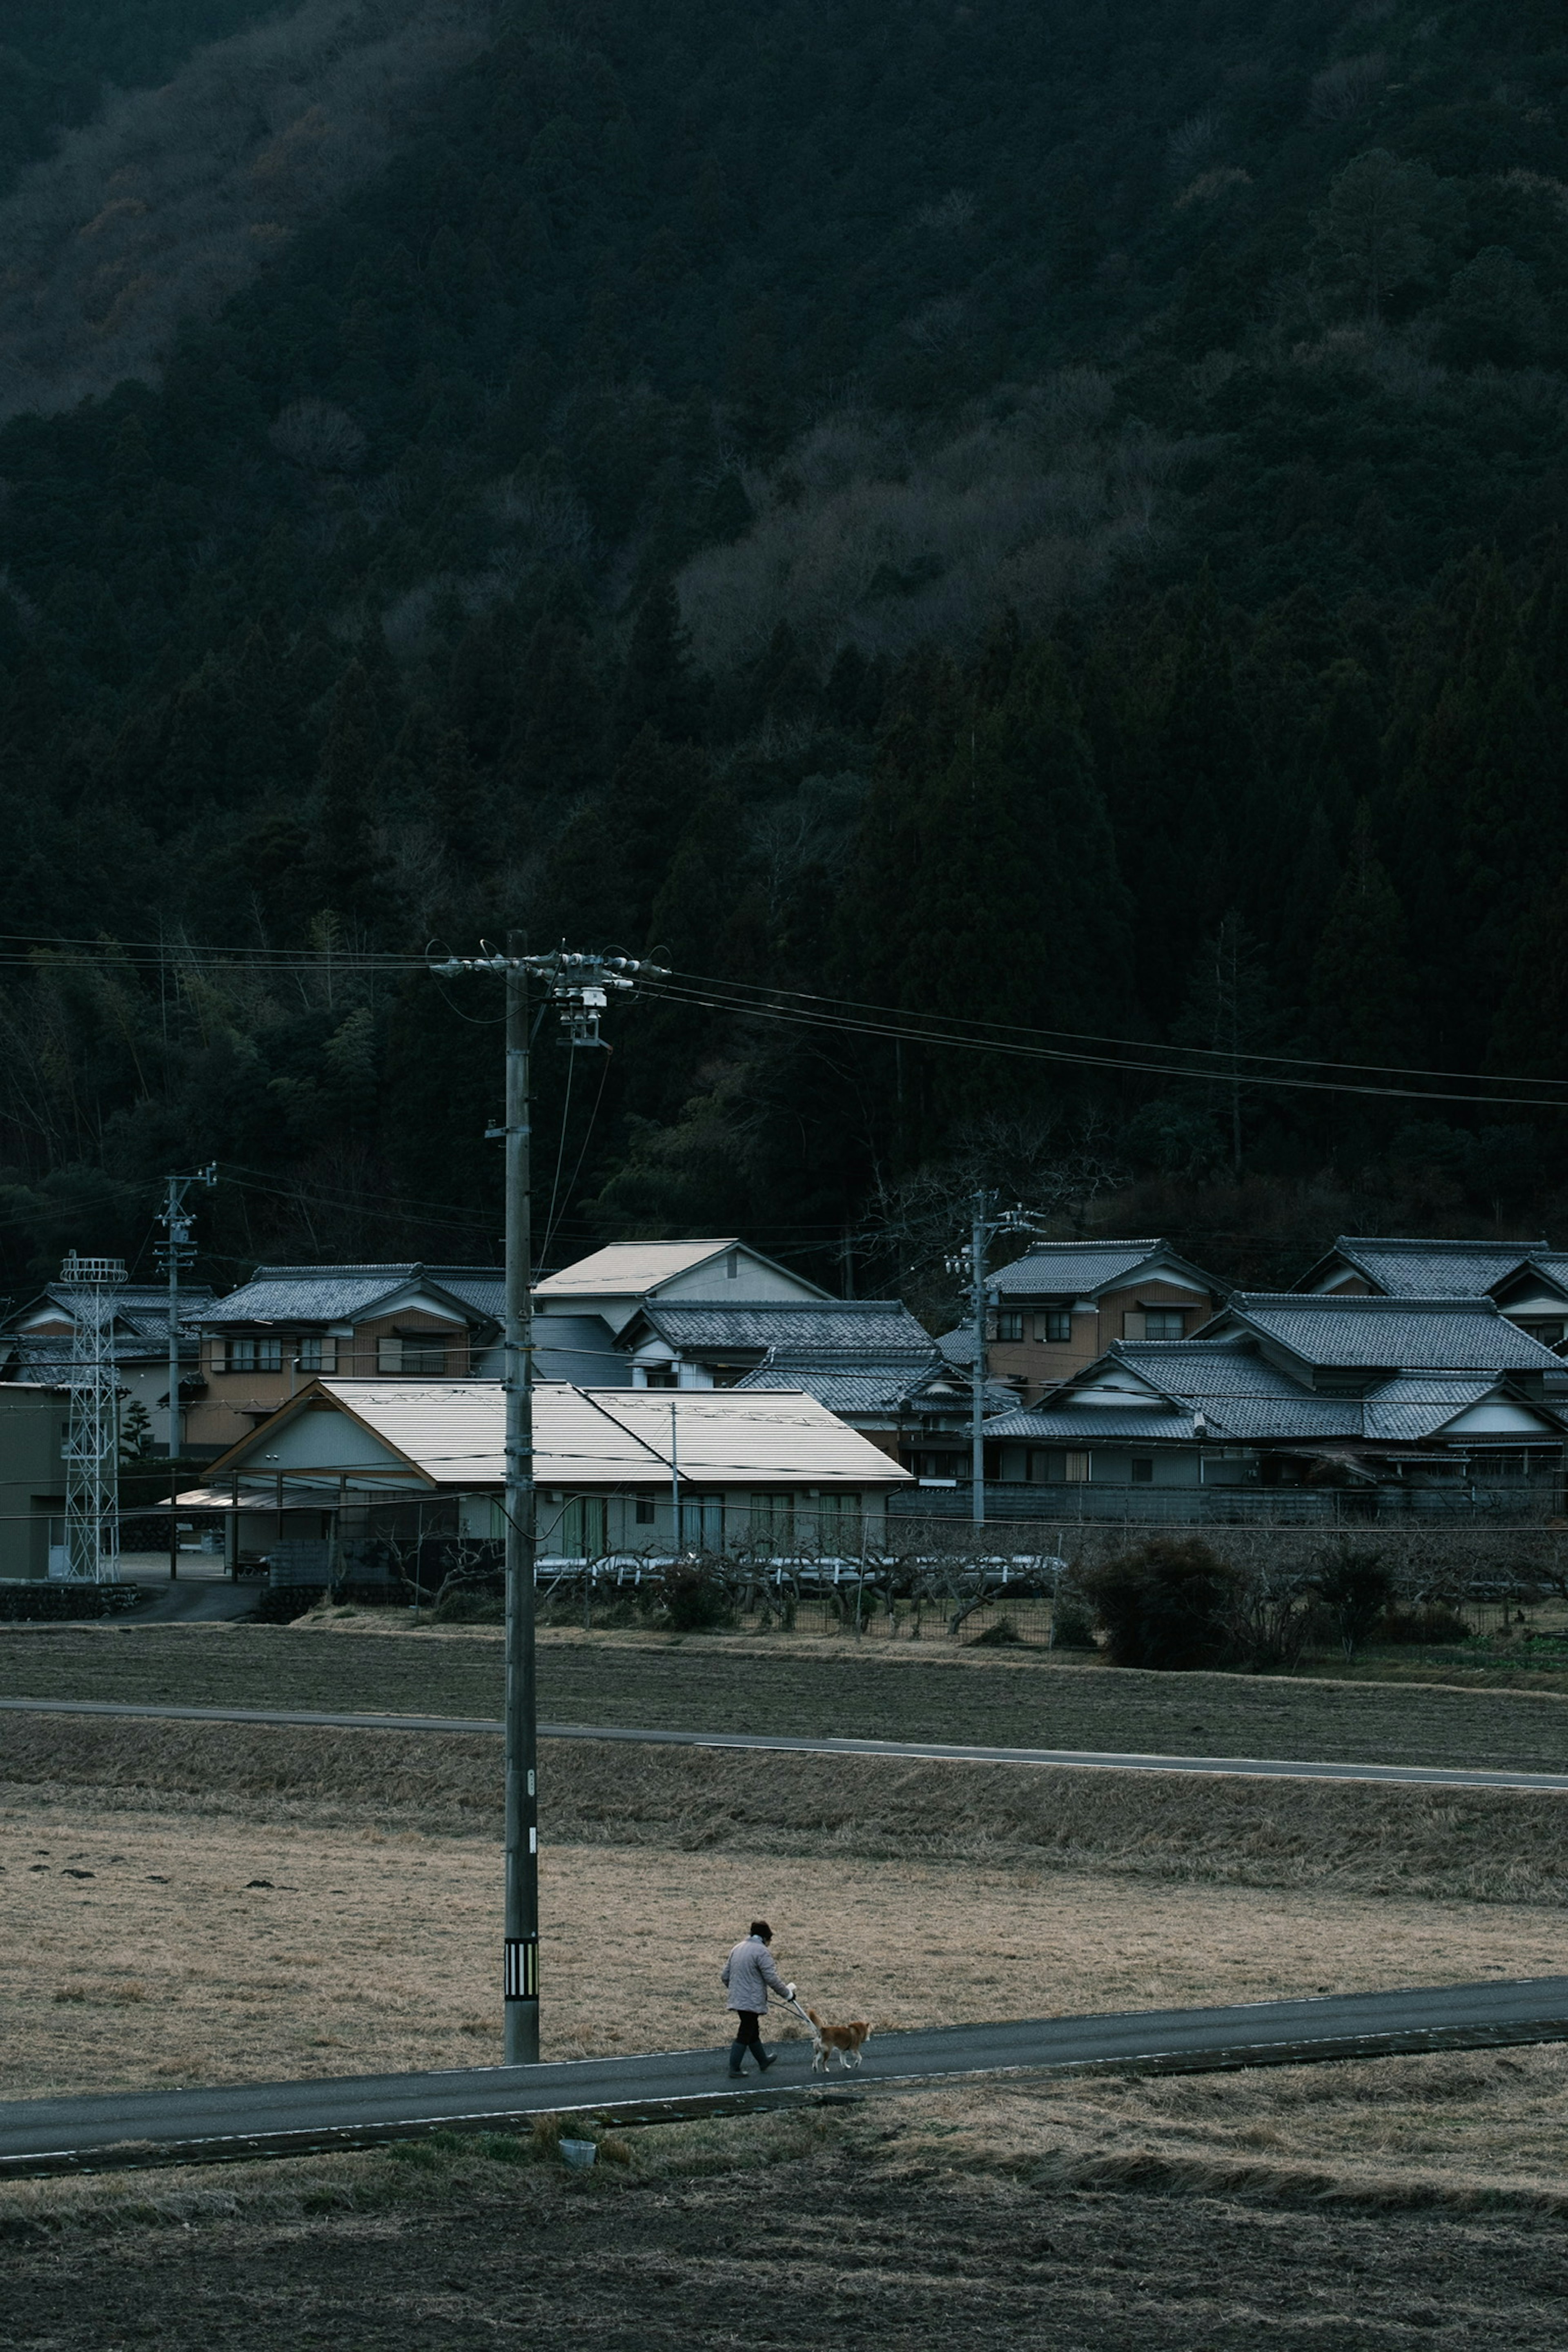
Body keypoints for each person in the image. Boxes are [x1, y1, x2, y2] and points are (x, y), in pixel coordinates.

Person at [721, 1919, 794, 2075]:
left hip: (739, 1997)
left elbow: (725, 1975)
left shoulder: (738, 1948)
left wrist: (737, 1990)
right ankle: (734, 2068)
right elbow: (772, 1978)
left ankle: (763, 2061)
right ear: (765, 1938)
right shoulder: (761, 1952)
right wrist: (787, 1994)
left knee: (753, 2030)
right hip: (750, 2000)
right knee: (746, 2031)